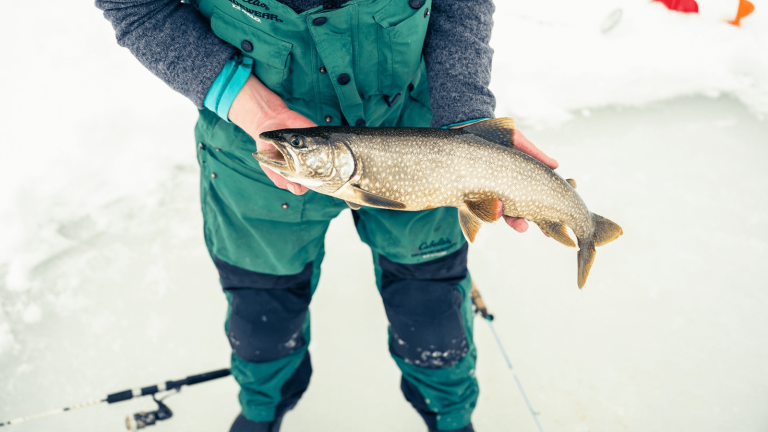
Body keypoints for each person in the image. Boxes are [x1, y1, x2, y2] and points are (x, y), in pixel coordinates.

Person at [96, 0, 557, 430]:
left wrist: (466, 121)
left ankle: (449, 415)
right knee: (261, 321)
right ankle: (262, 410)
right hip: (250, 145)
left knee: (432, 314)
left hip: (424, 143)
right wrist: (255, 109)